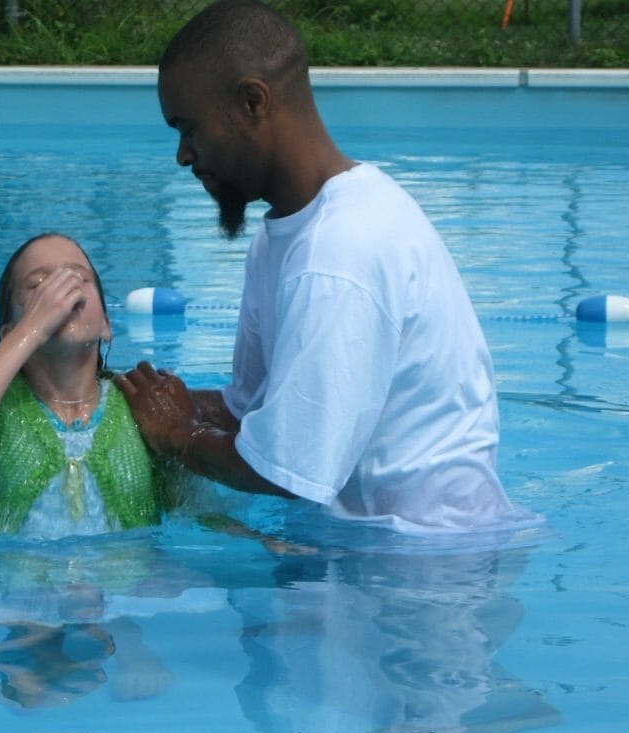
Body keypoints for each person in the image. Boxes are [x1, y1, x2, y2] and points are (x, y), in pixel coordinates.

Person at [116, 0, 526, 533]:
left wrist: (176, 436)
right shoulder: (284, 237)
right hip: (372, 547)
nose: (183, 156)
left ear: (252, 101)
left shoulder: (341, 250)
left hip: (429, 566)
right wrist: (136, 400)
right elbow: (251, 409)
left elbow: (287, 470)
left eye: (188, 129)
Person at [0, 232, 167, 537]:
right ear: (9, 333)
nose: (61, 294)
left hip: (128, 579)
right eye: (39, 285)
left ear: (106, 324)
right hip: (14, 581)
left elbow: (199, 512)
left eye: (78, 279)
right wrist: (33, 329)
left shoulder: (139, 403)